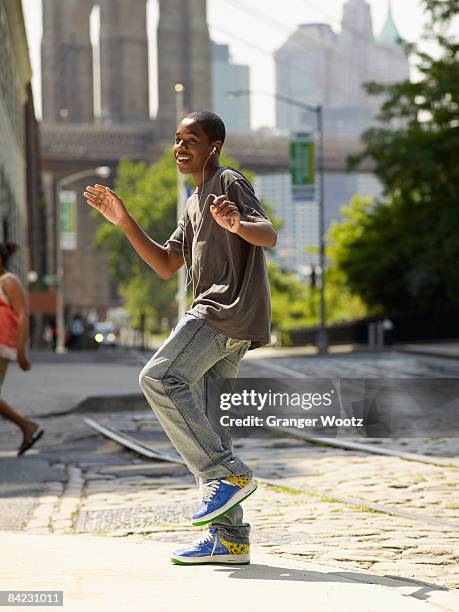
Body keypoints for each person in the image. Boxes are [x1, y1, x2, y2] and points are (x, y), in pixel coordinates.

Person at [84, 111, 276, 565]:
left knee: (159, 378)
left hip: (222, 311)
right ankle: (229, 540)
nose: (180, 147)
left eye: (192, 139)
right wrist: (125, 221)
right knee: (209, 425)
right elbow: (168, 264)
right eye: (176, 139)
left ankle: (225, 476)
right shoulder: (192, 203)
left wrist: (237, 225)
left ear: (215, 146)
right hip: (225, 319)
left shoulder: (229, 181)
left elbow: (266, 235)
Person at [0, 241, 44, 455]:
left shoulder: (9, 281)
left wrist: (21, 352)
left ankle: (27, 426)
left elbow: (23, 315)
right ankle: (26, 426)